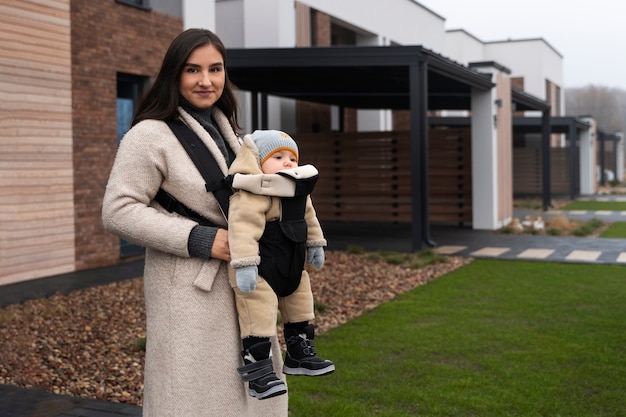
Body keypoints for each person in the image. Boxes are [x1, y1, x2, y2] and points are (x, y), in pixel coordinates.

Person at [102, 28, 288, 416]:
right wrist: (202, 239)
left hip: (244, 280)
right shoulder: (148, 135)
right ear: (174, 74)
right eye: (193, 70)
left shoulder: (235, 136)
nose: (206, 81)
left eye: (215, 69)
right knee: (189, 397)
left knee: (252, 396)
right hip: (189, 291)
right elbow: (118, 209)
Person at [227, 130, 335, 400]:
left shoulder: (299, 192)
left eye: (292, 158)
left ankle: (298, 353)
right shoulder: (251, 192)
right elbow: (242, 228)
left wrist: (315, 244)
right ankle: (259, 371)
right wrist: (245, 264)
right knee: (258, 313)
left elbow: (310, 219)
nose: (288, 163)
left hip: (292, 265)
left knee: (300, 302)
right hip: (260, 268)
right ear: (257, 162)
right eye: (278, 157)